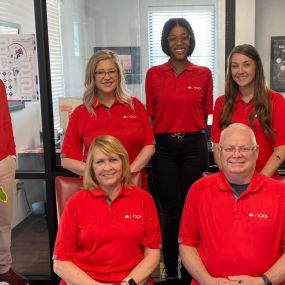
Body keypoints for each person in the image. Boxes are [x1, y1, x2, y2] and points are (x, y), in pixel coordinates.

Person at [145, 18, 213, 285]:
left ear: (191, 40)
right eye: (173, 38)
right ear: (166, 42)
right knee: (170, 211)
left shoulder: (203, 73)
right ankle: (171, 270)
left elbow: (206, 113)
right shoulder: (154, 74)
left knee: (192, 210)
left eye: (184, 36)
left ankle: (191, 271)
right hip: (164, 148)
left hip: (195, 146)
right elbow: (151, 116)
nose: (179, 42)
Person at [179, 123, 285, 285]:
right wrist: (208, 281)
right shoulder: (198, 190)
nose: (236, 154)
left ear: (256, 152)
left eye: (244, 148)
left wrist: (263, 281)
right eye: (229, 149)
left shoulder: (280, 193)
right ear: (219, 152)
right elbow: (186, 245)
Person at [53, 135, 161, 285]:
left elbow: (153, 253)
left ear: (123, 163)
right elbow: (60, 262)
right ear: (91, 167)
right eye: (100, 162)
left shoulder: (144, 200)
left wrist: (126, 283)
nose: (107, 167)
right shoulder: (75, 204)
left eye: (113, 160)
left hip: (131, 281)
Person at [61, 50, 155, 189]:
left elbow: (149, 146)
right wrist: (102, 174)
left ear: (119, 74)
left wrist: (127, 173)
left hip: (133, 186)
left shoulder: (135, 106)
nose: (107, 77)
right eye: (100, 72)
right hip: (95, 189)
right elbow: (67, 160)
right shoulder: (81, 113)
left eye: (112, 71)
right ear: (92, 77)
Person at [212, 44, 285, 177]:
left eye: (246, 64)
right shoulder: (221, 103)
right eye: (234, 66)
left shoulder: (276, 100)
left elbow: (281, 148)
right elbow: (217, 147)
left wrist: (260, 181)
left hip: (266, 181)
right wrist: (231, 179)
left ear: (256, 67)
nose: (240, 71)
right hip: (230, 183)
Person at [0, 79, 29, 285]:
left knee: (3, 219)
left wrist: (11, 153)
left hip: (2, 161)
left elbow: (5, 122)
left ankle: (3, 268)